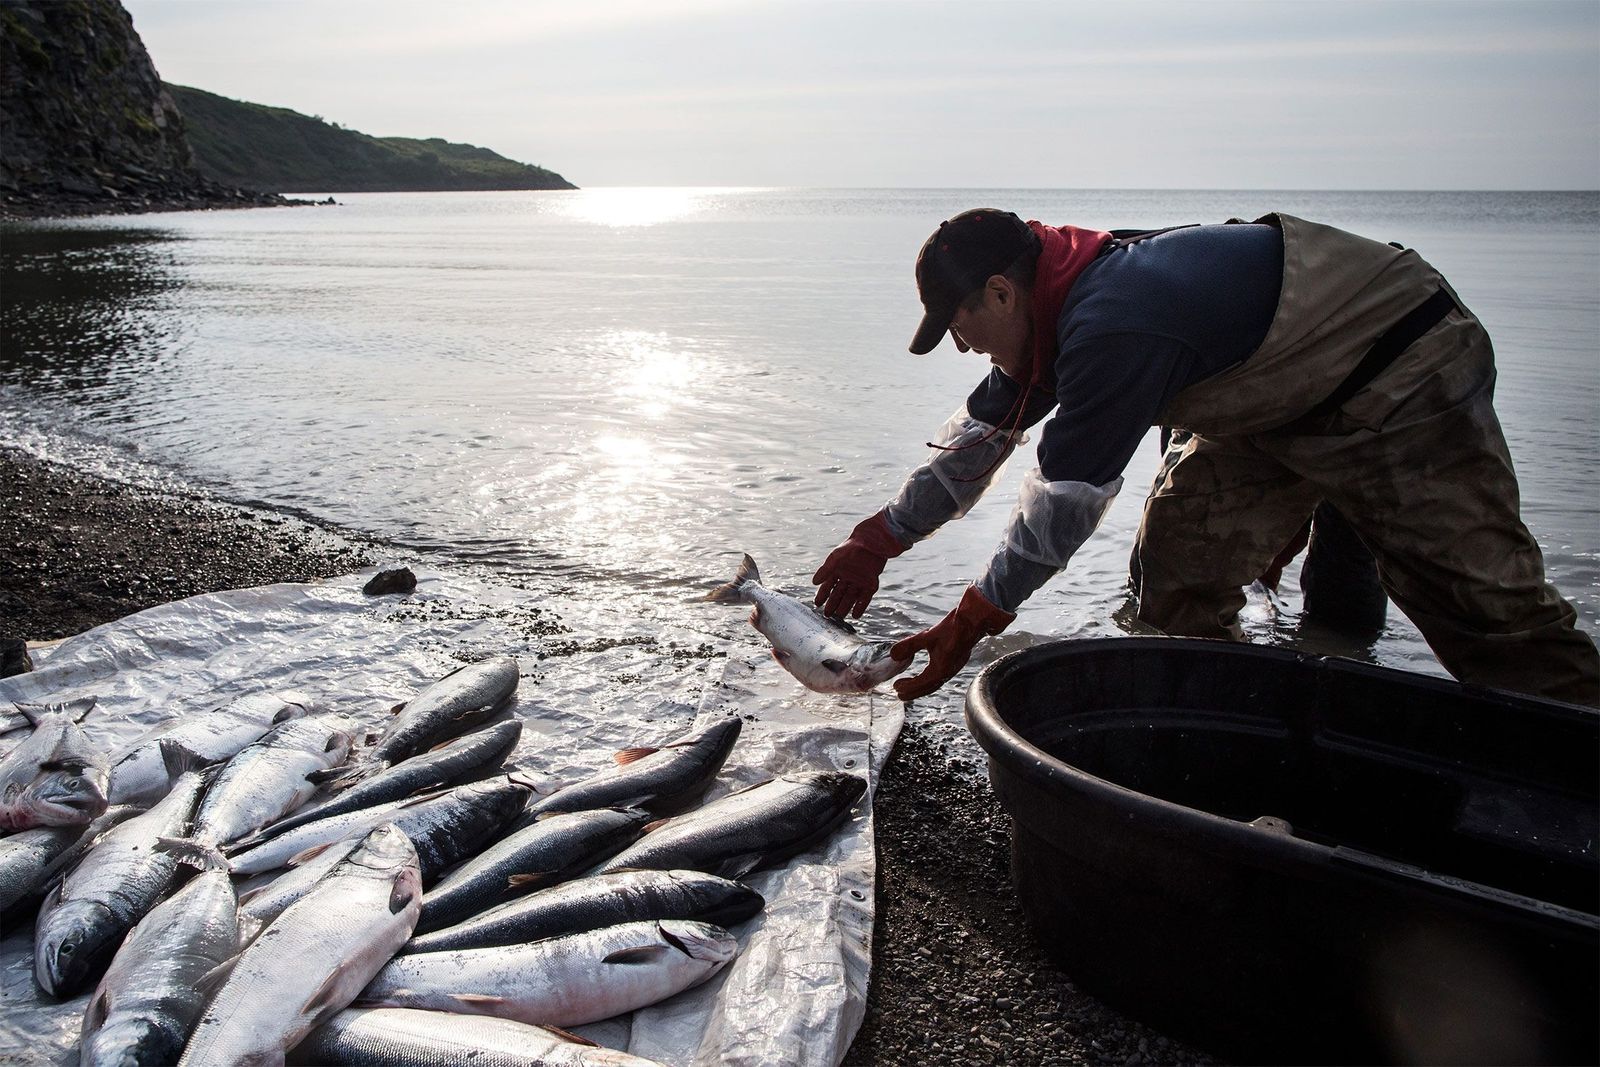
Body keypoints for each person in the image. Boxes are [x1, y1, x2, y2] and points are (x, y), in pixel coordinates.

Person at [811, 209, 1599, 706]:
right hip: (1276, 400)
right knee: (1178, 571)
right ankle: (1241, 729)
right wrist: (879, 536)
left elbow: (1058, 512)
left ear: (1001, 293)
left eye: (960, 322)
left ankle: (1573, 766)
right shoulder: (1056, 300)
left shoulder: (1110, 325)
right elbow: (971, 447)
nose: (960, 343)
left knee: (1487, 616)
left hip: (1399, 363)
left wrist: (972, 621)